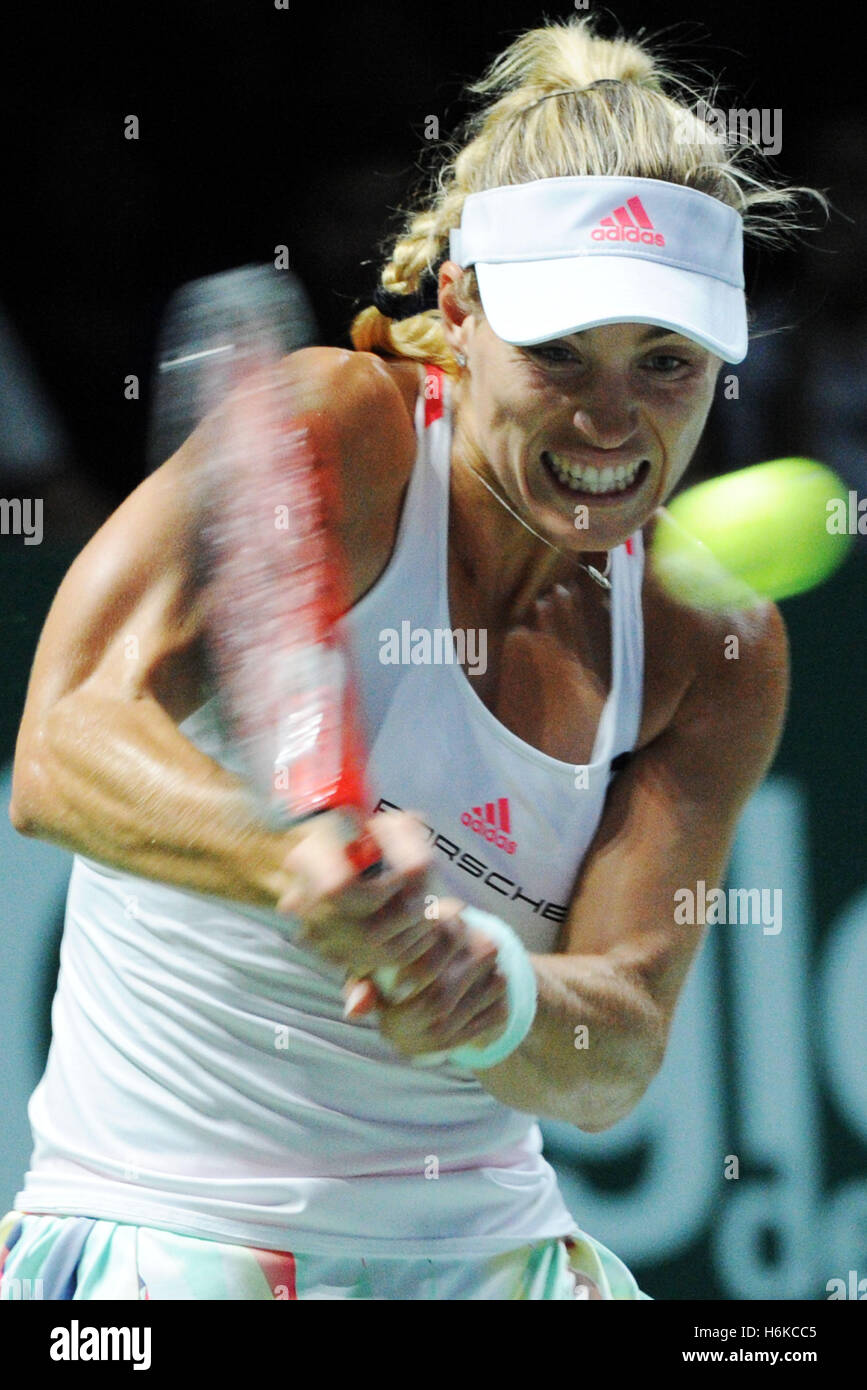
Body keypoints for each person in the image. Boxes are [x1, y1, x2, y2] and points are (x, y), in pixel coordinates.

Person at [1, 15, 821, 1300]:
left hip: (489, 1251)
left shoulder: (710, 642)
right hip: (164, 1227)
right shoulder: (339, 433)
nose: (614, 421)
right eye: (560, 353)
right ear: (459, 308)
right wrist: (292, 861)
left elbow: (617, 1052)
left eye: (665, 364)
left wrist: (487, 994)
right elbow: (58, 749)